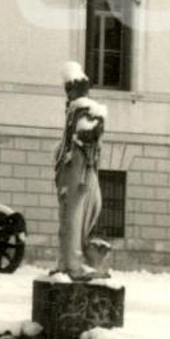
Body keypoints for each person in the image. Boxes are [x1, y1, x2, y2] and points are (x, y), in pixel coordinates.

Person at [51, 62, 111, 280]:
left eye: (71, 87)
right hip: (73, 173)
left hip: (78, 173)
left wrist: (95, 125)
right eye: (68, 88)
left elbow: (87, 134)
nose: (68, 93)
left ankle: (74, 263)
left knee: (75, 218)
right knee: (71, 219)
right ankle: (70, 263)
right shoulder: (76, 109)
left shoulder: (82, 108)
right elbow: (80, 137)